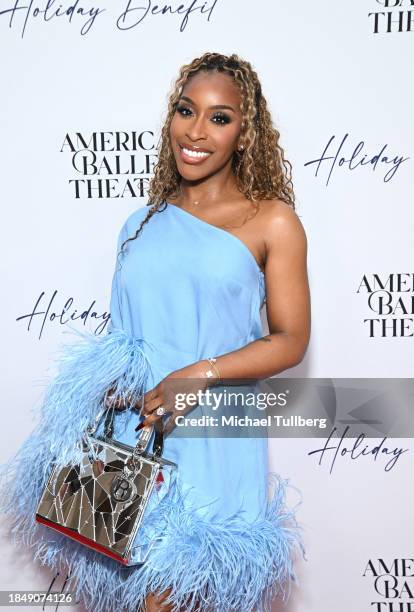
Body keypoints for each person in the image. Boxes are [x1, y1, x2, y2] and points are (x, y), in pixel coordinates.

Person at [0, 52, 310, 612]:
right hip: (133, 433)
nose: (195, 131)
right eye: (185, 110)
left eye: (220, 117)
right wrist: (113, 383)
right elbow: (125, 338)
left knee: (175, 595)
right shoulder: (140, 223)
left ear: (245, 133)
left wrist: (197, 373)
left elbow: (289, 339)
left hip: (212, 431)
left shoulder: (272, 221)